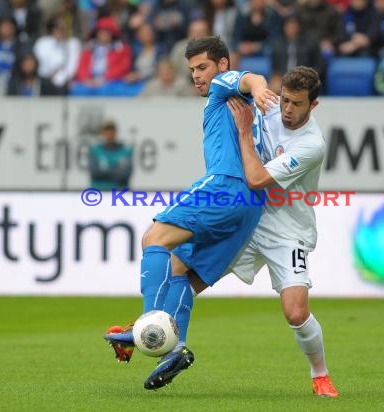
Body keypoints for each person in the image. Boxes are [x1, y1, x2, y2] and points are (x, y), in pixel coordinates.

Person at [104, 35, 277, 390]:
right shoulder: (243, 109)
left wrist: (259, 88)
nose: (197, 76)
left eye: (203, 67)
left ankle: (148, 326)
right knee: (181, 271)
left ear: (222, 65)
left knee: (154, 238)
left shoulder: (222, 90)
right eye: (193, 70)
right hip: (251, 207)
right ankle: (173, 347)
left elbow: (249, 79)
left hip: (224, 185)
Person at [225, 66, 338, 398]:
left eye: (297, 104)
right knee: (192, 274)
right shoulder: (269, 105)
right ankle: (146, 329)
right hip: (249, 220)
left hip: (288, 231)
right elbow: (242, 79)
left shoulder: (311, 145)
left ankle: (320, 375)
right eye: (285, 100)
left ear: (313, 106)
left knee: (296, 312)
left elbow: (258, 180)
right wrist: (257, 84)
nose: (288, 110)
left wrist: (245, 133)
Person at [87, 120, 134, 190]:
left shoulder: (125, 151)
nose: (109, 134)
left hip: (119, 194)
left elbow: (125, 174)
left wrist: (106, 170)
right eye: (107, 131)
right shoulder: (95, 151)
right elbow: (95, 172)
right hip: (99, 194)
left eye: (112, 131)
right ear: (103, 133)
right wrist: (115, 169)